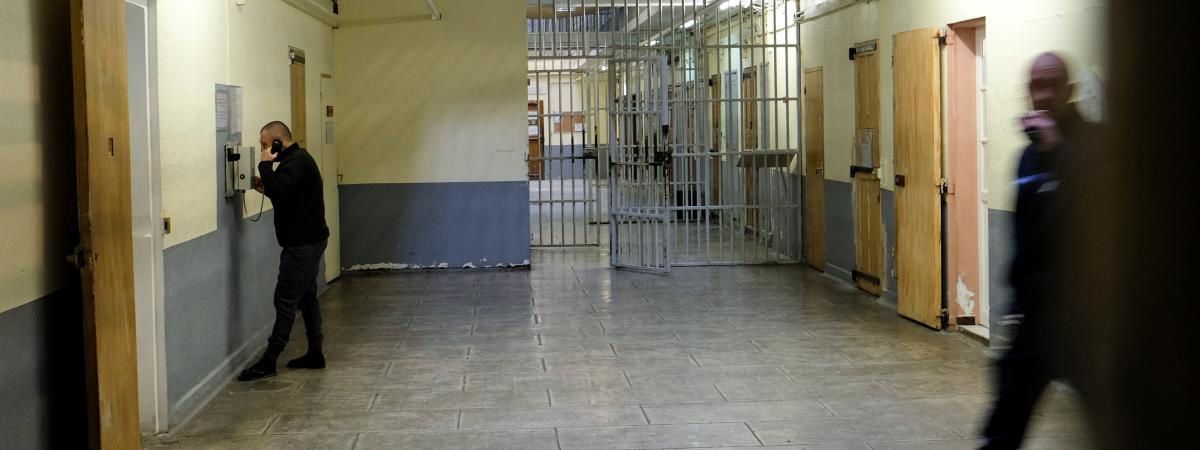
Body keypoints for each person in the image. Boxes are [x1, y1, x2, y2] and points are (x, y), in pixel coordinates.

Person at [979, 52, 1097, 449]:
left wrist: (1057, 150)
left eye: (1051, 85)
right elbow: (1026, 232)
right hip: (1035, 318)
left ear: (1069, 90)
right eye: (1035, 86)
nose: (1043, 95)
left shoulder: (1092, 145)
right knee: (1004, 424)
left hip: (1086, 319)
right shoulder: (1028, 156)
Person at [238, 121, 330, 382]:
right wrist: (263, 185)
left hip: (302, 246)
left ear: (279, 142)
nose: (263, 149)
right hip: (309, 241)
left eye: (265, 144)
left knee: (285, 300)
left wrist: (265, 166)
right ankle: (315, 353)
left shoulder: (295, 163)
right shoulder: (295, 162)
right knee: (306, 296)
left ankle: (269, 361)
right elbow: (285, 194)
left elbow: (281, 189)